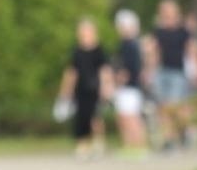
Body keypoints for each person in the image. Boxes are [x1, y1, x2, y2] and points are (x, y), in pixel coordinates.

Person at [57, 17, 113, 160]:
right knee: (81, 118)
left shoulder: (99, 50)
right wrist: (66, 91)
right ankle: (82, 145)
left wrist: (106, 87)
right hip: (80, 89)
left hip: (95, 88)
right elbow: (71, 72)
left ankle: (98, 144)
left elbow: (105, 70)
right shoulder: (77, 51)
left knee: (95, 117)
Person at [148, 0, 197, 150]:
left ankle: (185, 131)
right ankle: (169, 138)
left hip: (177, 72)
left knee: (175, 106)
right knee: (163, 107)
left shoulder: (183, 31)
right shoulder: (158, 31)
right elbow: (154, 52)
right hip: (162, 71)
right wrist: (150, 69)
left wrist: (195, 70)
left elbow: (191, 51)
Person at [110, 9, 148, 153]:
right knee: (125, 117)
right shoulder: (129, 44)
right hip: (129, 87)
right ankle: (130, 146)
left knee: (131, 117)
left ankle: (138, 146)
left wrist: (119, 79)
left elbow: (129, 68)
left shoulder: (130, 45)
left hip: (130, 86)